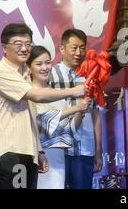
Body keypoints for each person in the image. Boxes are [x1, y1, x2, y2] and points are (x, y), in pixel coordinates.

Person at [0, 23, 86, 189]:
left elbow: (29, 115)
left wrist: (38, 151)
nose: (24, 49)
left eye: (28, 44)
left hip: (27, 152)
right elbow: (36, 95)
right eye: (18, 44)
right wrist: (72, 91)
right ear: (4, 48)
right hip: (10, 151)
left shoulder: (25, 73)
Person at [27, 46, 91, 189]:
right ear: (29, 67)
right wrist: (74, 108)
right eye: (39, 64)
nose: (44, 67)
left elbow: (69, 129)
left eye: (48, 62)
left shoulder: (58, 93)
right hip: (37, 155)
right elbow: (39, 123)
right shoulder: (27, 93)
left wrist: (80, 110)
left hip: (58, 158)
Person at [49, 29, 103, 189]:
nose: (79, 52)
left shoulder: (91, 76)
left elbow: (95, 114)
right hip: (58, 149)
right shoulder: (51, 74)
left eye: (82, 48)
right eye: (74, 48)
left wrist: (99, 149)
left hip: (85, 148)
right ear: (62, 49)